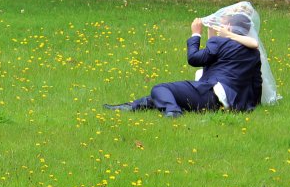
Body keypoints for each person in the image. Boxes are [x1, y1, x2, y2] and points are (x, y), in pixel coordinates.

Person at [103, 9, 264, 117]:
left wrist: (195, 34)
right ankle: (132, 106)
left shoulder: (222, 42)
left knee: (160, 88)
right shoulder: (253, 53)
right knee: (165, 95)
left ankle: (173, 112)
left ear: (229, 26)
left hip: (211, 95)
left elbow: (194, 59)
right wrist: (251, 105)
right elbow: (257, 83)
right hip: (230, 103)